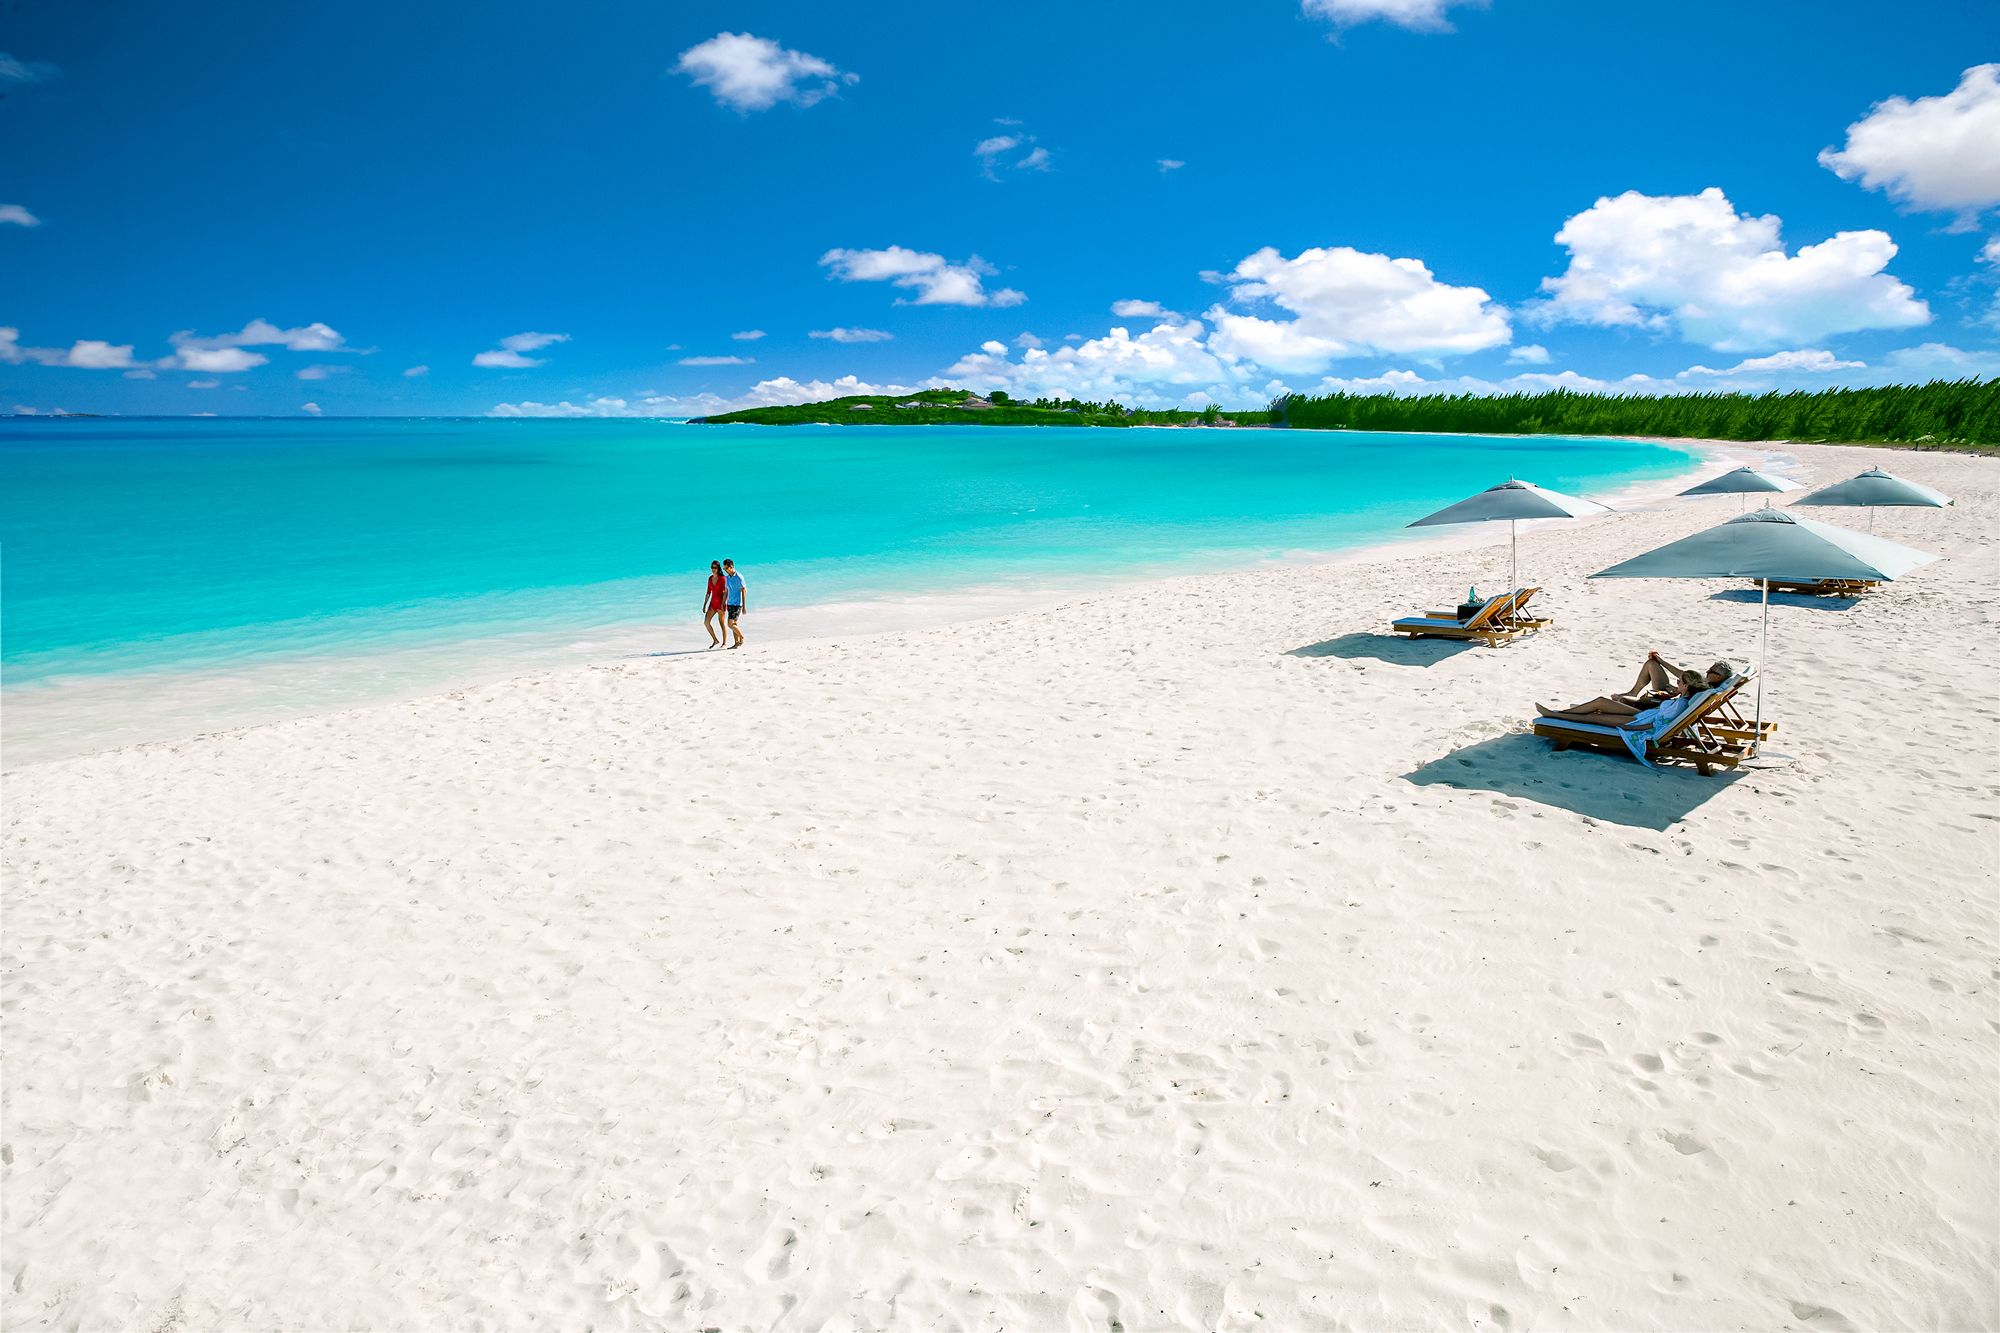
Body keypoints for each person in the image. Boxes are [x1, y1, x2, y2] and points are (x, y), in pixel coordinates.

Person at [1536, 656, 1733, 726]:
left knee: (1596, 715)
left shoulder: (1702, 690)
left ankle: (1557, 716)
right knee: (1599, 704)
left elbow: (1661, 722)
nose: (1708, 671)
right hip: (1651, 712)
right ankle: (1559, 714)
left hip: (1648, 717)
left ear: (1719, 677)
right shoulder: (1698, 690)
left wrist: (1635, 728)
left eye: (1712, 671)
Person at [702, 560, 727, 648]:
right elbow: (708, 592)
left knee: (722, 624)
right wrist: (704, 604)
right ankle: (715, 640)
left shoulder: (722, 578)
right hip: (712, 604)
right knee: (706, 622)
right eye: (712, 567)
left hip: (720, 604)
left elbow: (725, 592)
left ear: (718, 568)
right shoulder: (710, 578)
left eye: (715, 568)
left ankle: (724, 643)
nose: (713, 569)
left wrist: (723, 604)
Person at [722, 558, 747, 648]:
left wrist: (744, 605)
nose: (725, 570)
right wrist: (723, 602)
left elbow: (744, 590)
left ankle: (742, 637)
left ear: (731, 566)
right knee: (734, 624)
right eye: (724, 569)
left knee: (730, 624)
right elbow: (726, 591)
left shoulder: (739, 577)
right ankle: (736, 643)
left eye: (726, 568)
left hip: (737, 604)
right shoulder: (727, 578)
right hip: (730, 603)